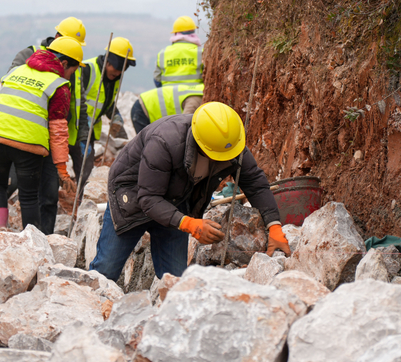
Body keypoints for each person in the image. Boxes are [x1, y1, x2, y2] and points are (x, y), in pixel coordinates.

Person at [89, 102, 290, 282]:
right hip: (131, 197)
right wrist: (189, 223)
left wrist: (274, 225)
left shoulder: (228, 144)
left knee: (177, 280)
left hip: (174, 199)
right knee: (106, 270)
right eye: (217, 155)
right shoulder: (165, 141)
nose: (223, 158)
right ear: (200, 143)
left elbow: (255, 182)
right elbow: (148, 199)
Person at [0, 36, 83, 233]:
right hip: (27, 143)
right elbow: (59, 130)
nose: (71, 75)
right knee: (29, 196)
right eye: (73, 70)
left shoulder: (17, 70)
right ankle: (31, 244)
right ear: (63, 63)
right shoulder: (58, 85)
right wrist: (62, 170)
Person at [73, 36, 135, 190]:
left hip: (89, 131)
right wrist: (81, 127)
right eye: (116, 69)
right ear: (108, 61)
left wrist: (114, 115)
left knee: (85, 169)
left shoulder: (115, 78)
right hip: (71, 127)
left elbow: (105, 102)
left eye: (122, 70)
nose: (118, 73)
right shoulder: (87, 70)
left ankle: (81, 198)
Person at [153, 15, 204, 115]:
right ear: (193, 33)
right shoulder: (200, 53)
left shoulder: (163, 53)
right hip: (193, 100)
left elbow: (157, 80)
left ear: (176, 33)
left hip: (168, 100)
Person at [131, 83, 204, 134]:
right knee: (146, 146)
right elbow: (184, 126)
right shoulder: (196, 100)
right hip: (143, 108)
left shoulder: (199, 92)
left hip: (145, 105)